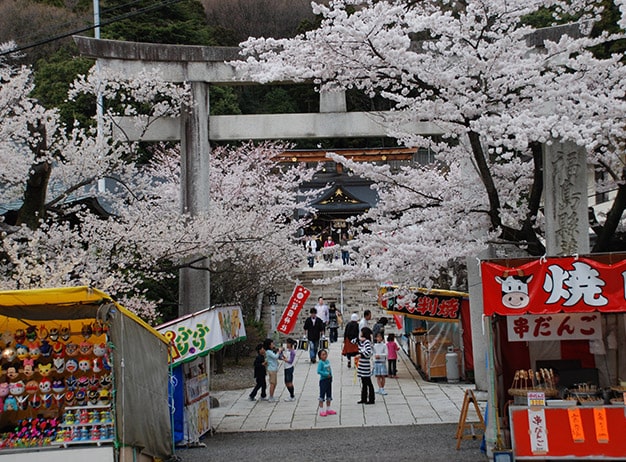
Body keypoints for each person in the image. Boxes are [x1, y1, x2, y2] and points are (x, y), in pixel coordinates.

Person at [357, 327, 375, 404]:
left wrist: (361, 354)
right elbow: (353, 341)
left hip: (365, 364)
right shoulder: (362, 342)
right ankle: (363, 398)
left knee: (368, 382)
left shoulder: (367, 342)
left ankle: (371, 398)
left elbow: (368, 353)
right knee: (363, 382)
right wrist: (360, 339)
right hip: (361, 364)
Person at [316, 349, 336, 416]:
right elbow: (318, 371)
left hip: (329, 380)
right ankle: (321, 410)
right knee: (322, 395)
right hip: (323, 380)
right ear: (320, 356)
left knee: (329, 395)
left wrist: (331, 376)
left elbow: (330, 369)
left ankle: (328, 409)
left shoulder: (327, 361)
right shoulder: (321, 363)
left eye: (325, 354)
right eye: (323, 355)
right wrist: (325, 374)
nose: (325, 356)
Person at [263, 338, 282, 402]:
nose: (273, 345)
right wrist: (279, 352)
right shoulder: (268, 352)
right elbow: (275, 357)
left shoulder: (270, 351)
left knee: (274, 383)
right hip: (272, 369)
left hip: (274, 369)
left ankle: (272, 395)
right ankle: (271, 397)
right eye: (272, 344)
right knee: (272, 383)